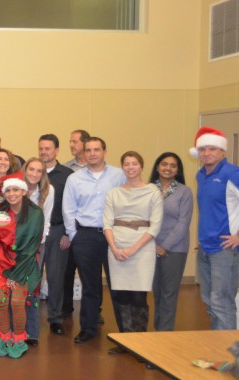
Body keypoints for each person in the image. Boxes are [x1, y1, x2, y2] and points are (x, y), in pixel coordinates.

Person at [63, 136, 126, 344]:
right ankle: (88, 329)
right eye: (88, 150)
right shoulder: (75, 179)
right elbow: (69, 209)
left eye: (96, 150)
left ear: (104, 152)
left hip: (113, 235)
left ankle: (125, 332)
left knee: (118, 284)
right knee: (90, 286)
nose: (92, 154)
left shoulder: (119, 175)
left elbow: (126, 203)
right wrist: (74, 235)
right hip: (86, 237)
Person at [191, 127, 239, 330]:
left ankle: (226, 348)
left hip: (227, 248)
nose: (207, 153)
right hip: (206, 247)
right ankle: (217, 342)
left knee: (221, 301)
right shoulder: (201, 175)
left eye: (212, 149)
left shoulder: (234, 174)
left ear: (223, 151)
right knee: (210, 301)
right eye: (202, 149)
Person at [103, 151, 163, 343]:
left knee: (138, 296)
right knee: (121, 295)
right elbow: (107, 224)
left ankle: (140, 341)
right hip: (117, 247)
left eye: (134, 163)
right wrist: (114, 247)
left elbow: (155, 226)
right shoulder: (114, 193)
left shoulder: (153, 192)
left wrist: (133, 249)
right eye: (126, 164)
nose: (130, 167)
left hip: (142, 248)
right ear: (122, 167)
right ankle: (125, 341)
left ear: (141, 166)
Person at [0, 178, 45, 359]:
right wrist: (6, 269)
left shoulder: (35, 214)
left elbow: (32, 247)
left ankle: (19, 340)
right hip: (2, 264)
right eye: (8, 191)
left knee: (17, 303)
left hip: (24, 266)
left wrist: (15, 274)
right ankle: (5, 338)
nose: (12, 194)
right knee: (1, 302)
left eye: (16, 190)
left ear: (23, 192)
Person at [36, 134, 74, 338]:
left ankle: (56, 318)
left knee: (56, 277)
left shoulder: (67, 175)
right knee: (32, 275)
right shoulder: (33, 172)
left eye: (48, 148)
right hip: (35, 232)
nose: (44, 152)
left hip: (58, 231)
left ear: (57, 150)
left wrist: (68, 233)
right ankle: (30, 317)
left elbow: (73, 205)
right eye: (41, 148)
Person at [150, 152, 193, 331]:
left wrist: (164, 246)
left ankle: (165, 333)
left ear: (177, 170)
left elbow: (183, 222)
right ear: (157, 167)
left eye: (173, 165)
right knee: (157, 291)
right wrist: (153, 244)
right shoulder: (148, 189)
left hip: (175, 248)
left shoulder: (185, 192)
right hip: (150, 246)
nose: (168, 168)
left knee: (169, 292)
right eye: (164, 164)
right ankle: (158, 330)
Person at [21, 157, 54, 346]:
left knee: (32, 287)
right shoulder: (17, 188)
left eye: (39, 171)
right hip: (16, 246)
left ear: (43, 174)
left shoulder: (49, 191)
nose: (34, 174)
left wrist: (35, 245)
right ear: (25, 170)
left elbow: (46, 222)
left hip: (36, 246)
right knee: (16, 287)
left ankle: (32, 332)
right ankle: (16, 329)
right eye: (31, 169)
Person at [60, 129, 89, 321]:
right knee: (67, 270)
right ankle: (66, 307)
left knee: (89, 272)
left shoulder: (97, 169)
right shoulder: (66, 169)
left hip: (90, 229)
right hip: (70, 227)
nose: (71, 145)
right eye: (70, 141)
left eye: (75, 141)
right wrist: (66, 231)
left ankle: (93, 310)